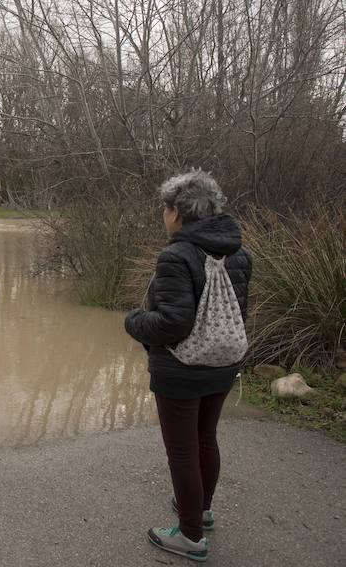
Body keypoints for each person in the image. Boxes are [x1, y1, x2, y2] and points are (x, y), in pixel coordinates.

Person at [124, 170, 252, 562]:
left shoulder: (177, 255)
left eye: (165, 208)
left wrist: (133, 322)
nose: (163, 215)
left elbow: (173, 323)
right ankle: (202, 510)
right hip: (224, 362)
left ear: (178, 212)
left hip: (181, 369)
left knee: (182, 450)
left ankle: (190, 536)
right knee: (205, 438)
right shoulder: (239, 253)